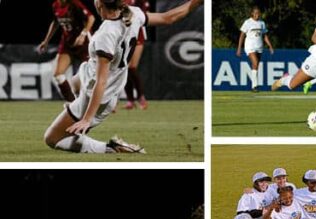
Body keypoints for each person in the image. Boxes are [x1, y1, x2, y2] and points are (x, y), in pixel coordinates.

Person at [42, 0, 203, 154]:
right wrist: (196, 2)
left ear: (100, 4)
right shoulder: (133, 13)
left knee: (52, 139)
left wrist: (87, 119)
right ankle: (75, 114)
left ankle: (111, 147)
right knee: (73, 84)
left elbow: (101, 81)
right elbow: (168, 17)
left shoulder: (107, 33)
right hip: (94, 76)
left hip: (97, 93)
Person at [37, 0, 95, 102]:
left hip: (84, 44)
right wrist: (46, 40)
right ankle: (72, 103)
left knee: (92, 76)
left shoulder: (74, 3)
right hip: (67, 43)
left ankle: (106, 99)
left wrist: (83, 34)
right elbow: (55, 21)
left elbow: (91, 18)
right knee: (58, 75)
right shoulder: (55, 5)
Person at [236, 5, 274, 92]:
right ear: (252, 14)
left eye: (258, 13)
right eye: (255, 13)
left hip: (259, 47)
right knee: (255, 63)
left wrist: (270, 46)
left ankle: (253, 86)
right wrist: (239, 48)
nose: (257, 15)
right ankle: (255, 85)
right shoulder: (247, 22)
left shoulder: (262, 23)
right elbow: (242, 35)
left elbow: (265, 36)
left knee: (255, 66)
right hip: (250, 47)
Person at [122, 0, 151, 109]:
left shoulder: (140, 1)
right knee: (124, 68)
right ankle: (130, 100)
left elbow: (145, 16)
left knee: (132, 67)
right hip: (122, 34)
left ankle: (141, 97)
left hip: (137, 34)